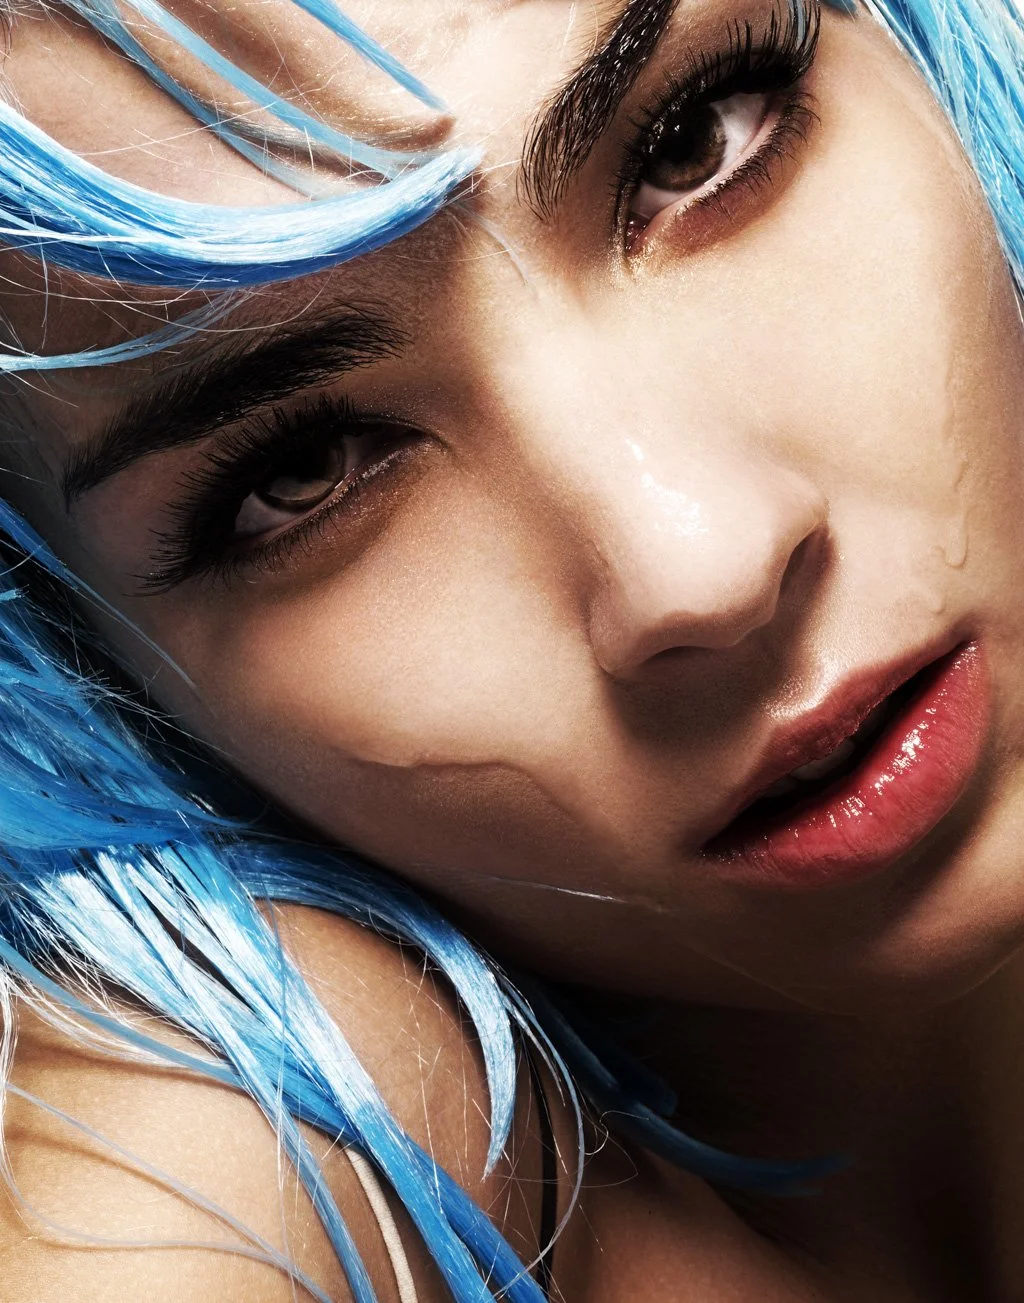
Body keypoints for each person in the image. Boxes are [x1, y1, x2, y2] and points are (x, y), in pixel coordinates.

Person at [0, 0, 1020, 1297]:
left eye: (694, 141)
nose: (699, 567)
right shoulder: (330, 1117)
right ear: (84, 660)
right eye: (303, 470)